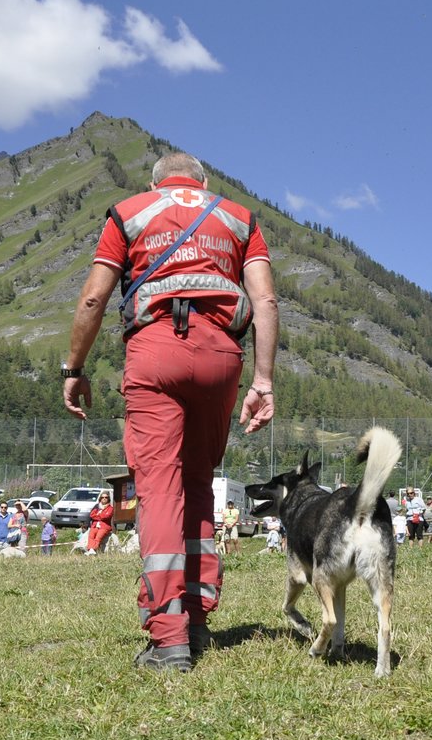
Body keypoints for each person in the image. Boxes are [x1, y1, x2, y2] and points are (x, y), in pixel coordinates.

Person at [64, 150, 278, 672]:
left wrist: (74, 368)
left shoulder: (129, 211)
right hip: (221, 356)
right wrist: (264, 381)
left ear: (155, 182)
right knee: (199, 482)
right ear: (202, 182)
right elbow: (266, 302)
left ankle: (168, 638)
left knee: (159, 488)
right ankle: (199, 619)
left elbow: (94, 300)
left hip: (155, 351)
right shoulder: (238, 217)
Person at [83, 492, 114, 556]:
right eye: (102, 497)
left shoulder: (110, 508)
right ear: (100, 498)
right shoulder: (96, 507)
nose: (104, 498)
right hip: (95, 526)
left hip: (104, 527)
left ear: (108, 499)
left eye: (106, 497)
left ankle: (93, 549)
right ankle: (90, 550)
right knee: (91, 535)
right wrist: (100, 516)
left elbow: (106, 516)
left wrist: (97, 515)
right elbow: (91, 515)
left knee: (98, 537)